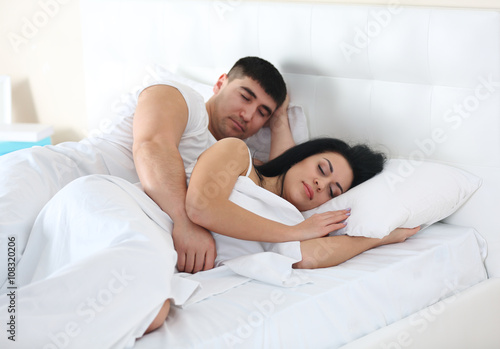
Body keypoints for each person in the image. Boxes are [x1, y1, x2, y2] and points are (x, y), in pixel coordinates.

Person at [0, 56, 290, 287]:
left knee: (16, 306)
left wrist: (280, 120)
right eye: (245, 96)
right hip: (45, 179)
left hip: (79, 218)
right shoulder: (179, 96)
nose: (249, 115)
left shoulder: (231, 160)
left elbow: (282, 187)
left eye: (263, 112)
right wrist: (184, 223)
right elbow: (152, 146)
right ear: (220, 83)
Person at [186, 137, 420, 269]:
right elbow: (201, 205)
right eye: (321, 168)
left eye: (332, 191)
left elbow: (305, 257)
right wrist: (293, 231)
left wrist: (380, 238)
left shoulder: (294, 219)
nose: (320, 184)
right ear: (301, 155)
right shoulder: (236, 153)